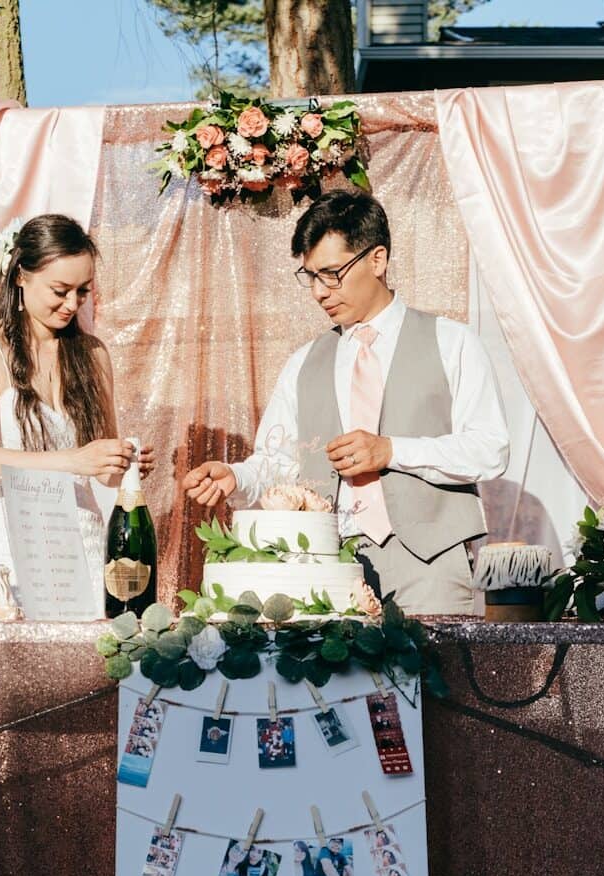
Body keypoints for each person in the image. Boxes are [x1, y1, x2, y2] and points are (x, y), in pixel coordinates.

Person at [182, 190, 509, 615]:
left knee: (435, 682)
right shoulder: (303, 363)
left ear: (377, 260)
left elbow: (490, 448)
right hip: (328, 567)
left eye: (332, 273)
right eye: (311, 276)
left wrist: (391, 450)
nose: (320, 291)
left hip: (430, 565)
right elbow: (281, 462)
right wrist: (235, 477)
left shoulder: (453, 342)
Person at [0, 213, 154, 608]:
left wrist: (121, 462)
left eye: (82, 291)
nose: (71, 304)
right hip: (6, 535)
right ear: (20, 276)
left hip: (80, 534)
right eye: (59, 290)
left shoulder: (93, 355)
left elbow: (103, 470)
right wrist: (76, 461)